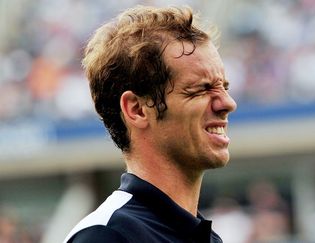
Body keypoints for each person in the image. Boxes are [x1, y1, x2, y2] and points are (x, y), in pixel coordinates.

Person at [63, 5, 237, 243]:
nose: (227, 103)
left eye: (224, 87)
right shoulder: (106, 236)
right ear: (136, 109)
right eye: (201, 90)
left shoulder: (206, 238)